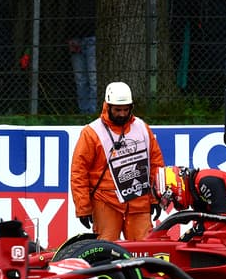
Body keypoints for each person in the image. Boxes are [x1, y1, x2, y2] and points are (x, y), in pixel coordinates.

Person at [70, 81, 167, 241]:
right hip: (105, 202)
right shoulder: (91, 133)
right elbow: (79, 172)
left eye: (126, 109)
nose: (122, 114)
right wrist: (83, 208)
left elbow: (156, 165)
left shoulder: (142, 128)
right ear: (107, 106)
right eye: (117, 110)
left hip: (139, 200)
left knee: (145, 250)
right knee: (104, 253)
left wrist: (155, 198)